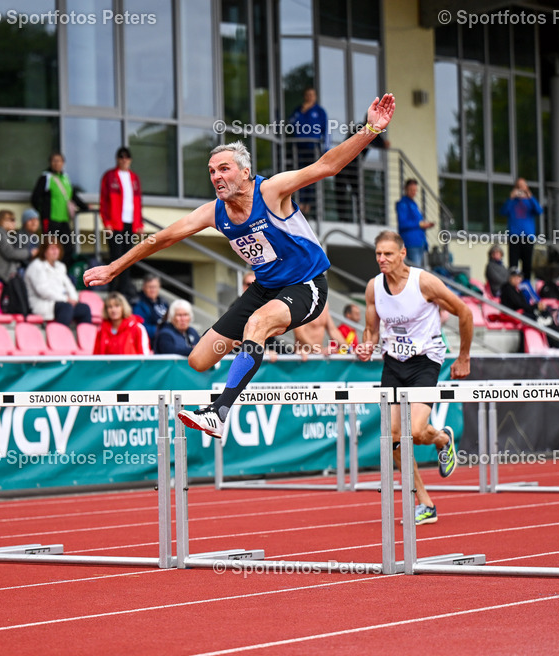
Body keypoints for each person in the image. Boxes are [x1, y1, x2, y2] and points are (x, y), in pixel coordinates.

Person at [85, 93, 397, 438]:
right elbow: (160, 239)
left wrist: (369, 129)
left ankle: (220, 410)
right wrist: (115, 267)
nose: (216, 177)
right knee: (199, 359)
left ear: (246, 172)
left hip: (305, 285)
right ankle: (252, 348)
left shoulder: (272, 191)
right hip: (265, 288)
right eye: (211, 172)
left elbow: (327, 166)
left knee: (258, 322)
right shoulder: (212, 213)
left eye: (224, 169)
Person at [356, 230, 472, 524]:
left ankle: (442, 439)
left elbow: (464, 312)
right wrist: (367, 344)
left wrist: (463, 356)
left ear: (403, 253)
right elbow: (371, 328)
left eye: (388, 254)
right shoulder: (374, 287)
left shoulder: (424, 282)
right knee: (393, 439)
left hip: (425, 361)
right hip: (393, 363)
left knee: (418, 433)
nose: (382, 259)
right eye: (378, 254)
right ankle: (425, 502)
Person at [99, 147, 143, 299]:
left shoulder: (134, 178)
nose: (124, 160)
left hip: (130, 224)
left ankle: (123, 292)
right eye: (121, 157)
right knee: (115, 257)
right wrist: (106, 222)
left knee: (128, 258)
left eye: (127, 157)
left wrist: (139, 224)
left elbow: (138, 203)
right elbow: (103, 202)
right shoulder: (109, 176)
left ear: (130, 159)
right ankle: (112, 291)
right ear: (117, 159)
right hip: (115, 224)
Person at [31, 152, 89, 267]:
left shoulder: (65, 178)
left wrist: (85, 207)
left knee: (67, 248)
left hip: (64, 220)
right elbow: (35, 197)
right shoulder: (46, 177)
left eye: (59, 161)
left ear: (63, 163)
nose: (56, 163)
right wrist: (43, 212)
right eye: (54, 160)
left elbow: (72, 195)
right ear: (50, 163)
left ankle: (63, 273)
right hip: (51, 220)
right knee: (49, 247)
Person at [24, 238, 92, 327]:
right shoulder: (36, 266)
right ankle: (59, 338)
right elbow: (43, 291)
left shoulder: (60, 266)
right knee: (66, 308)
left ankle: (86, 340)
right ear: (44, 251)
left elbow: (69, 286)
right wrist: (66, 299)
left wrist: (74, 299)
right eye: (52, 248)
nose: (55, 251)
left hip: (61, 302)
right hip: (43, 304)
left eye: (57, 248)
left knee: (84, 309)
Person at [286, 87, 329, 213]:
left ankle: (308, 205)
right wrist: (303, 111)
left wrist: (326, 149)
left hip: (313, 149)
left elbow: (326, 130)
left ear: (315, 96)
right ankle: (300, 202)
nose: (310, 97)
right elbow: (291, 124)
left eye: (312, 94)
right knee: (299, 175)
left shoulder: (320, 111)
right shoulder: (298, 110)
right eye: (308, 94)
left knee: (311, 177)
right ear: (304, 96)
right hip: (298, 148)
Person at [499, 178, 542, 280]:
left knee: (527, 264)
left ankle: (526, 285)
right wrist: (511, 198)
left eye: (523, 186)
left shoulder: (530, 202)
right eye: (519, 186)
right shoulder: (512, 202)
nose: (521, 189)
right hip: (514, 236)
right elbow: (503, 212)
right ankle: (513, 285)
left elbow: (539, 211)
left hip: (528, 236)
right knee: (513, 265)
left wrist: (530, 196)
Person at [0, 209, 32, 282]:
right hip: (0, 274)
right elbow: (10, 253)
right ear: (2, 220)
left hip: (4, 273)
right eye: (12, 220)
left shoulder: (3, 234)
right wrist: (30, 253)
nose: (15, 223)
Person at [396, 179, 434, 267]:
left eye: (415, 190)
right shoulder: (402, 204)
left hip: (420, 242)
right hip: (411, 243)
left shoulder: (414, 204)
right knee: (415, 272)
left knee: (420, 272)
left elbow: (418, 222)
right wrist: (419, 224)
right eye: (411, 190)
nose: (414, 192)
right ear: (405, 189)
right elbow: (402, 224)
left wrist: (424, 225)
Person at [132, 274, 169, 346]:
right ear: (143, 288)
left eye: (155, 287)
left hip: (163, 338)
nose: (152, 290)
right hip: (149, 342)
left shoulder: (163, 302)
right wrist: (161, 330)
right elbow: (140, 327)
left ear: (159, 288)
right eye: (149, 287)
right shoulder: (138, 304)